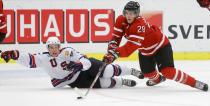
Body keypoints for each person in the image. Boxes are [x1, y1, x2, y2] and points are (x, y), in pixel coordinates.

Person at [103, 1, 208, 91]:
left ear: (137, 14)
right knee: (148, 74)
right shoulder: (120, 20)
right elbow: (116, 38)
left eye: (132, 13)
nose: (129, 15)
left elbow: (131, 46)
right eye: (127, 13)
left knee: (168, 72)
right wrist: (111, 51)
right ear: (124, 12)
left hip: (160, 46)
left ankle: (194, 83)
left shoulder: (139, 24)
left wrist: (115, 53)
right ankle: (158, 79)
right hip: (145, 51)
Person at [0, 36, 144, 88]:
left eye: (56, 46)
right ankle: (122, 82)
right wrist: (14, 55)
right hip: (76, 81)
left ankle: (131, 71)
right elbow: (29, 59)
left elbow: (84, 60)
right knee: (105, 83)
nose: (54, 50)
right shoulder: (43, 58)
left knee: (106, 71)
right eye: (51, 47)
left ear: (59, 46)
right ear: (47, 48)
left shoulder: (67, 51)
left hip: (87, 68)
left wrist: (80, 65)